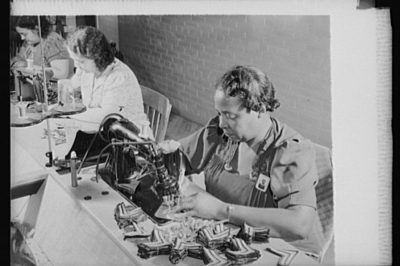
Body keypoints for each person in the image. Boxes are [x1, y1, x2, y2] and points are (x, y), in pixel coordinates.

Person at [159, 65, 325, 258]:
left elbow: (299, 225)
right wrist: (170, 158)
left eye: (230, 116)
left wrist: (219, 210)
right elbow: (181, 157)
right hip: (223, 240)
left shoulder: (291, 150)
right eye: (220, 113)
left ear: (260, 109)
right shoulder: (221, 132)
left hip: (272, 252)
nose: (221, 122)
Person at [54, 26, 152, 159]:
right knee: (61, 152)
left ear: (97, 57)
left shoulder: (118, 77)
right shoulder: (88, 69)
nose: (77, 66)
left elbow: (106, 117)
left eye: (81, 61)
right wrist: (65, 87)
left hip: (130, 142)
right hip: (101, 133)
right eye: (75, 61)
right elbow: (72, 84)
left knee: (67, 159)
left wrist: (68, 116)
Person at [10, 16, 73, 80]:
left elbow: (62, 73)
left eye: (24, 34)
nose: (22, 38)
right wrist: (13, 61)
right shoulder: (29, 42)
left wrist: (27, 66)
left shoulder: (51, 41)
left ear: (36, 29)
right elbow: (21, 57)